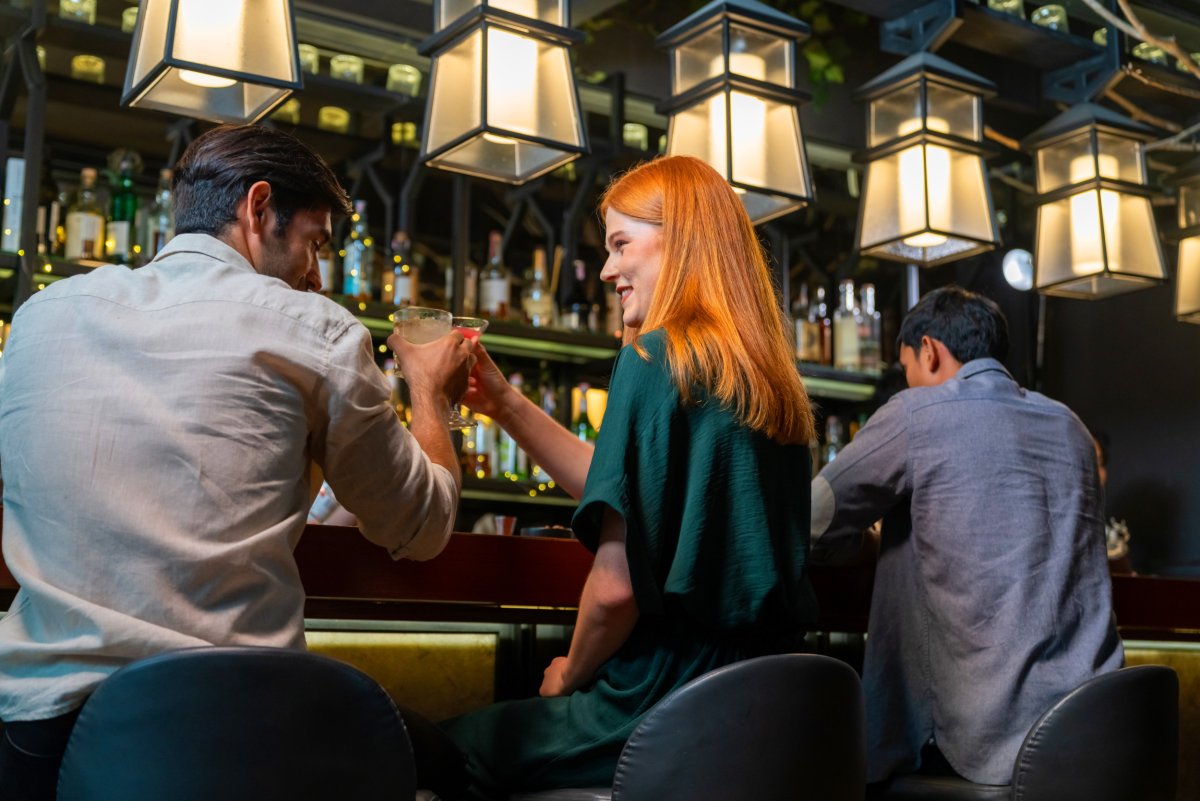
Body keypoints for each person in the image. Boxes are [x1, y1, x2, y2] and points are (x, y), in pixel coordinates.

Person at [0, 124, 472, 800]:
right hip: (234, 738)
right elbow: (421, 525)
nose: (316, 275)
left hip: (36, 741)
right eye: (314, 242)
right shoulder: (319, 330)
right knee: (458, 771)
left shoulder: (40, 318)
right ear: (257, 209)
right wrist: (430, 392)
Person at [425, 155, 818, 801]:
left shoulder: (652, 356)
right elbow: (632, 487)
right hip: (766, 700)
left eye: (619, 244)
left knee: (437, 748)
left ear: (682, 239)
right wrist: (506, 404)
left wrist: (567, 672)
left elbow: (614, 589)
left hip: (663, 697)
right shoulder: (767, 379)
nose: (607, 270)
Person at [810, 285, 1122, 787]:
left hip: (976, 747)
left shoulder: (916, 413)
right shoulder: (1071, 428)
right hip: (1095, 730)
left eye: (905, 365)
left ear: (929, 351)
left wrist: (864, 543)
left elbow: (810, 519)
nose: (906, 380)